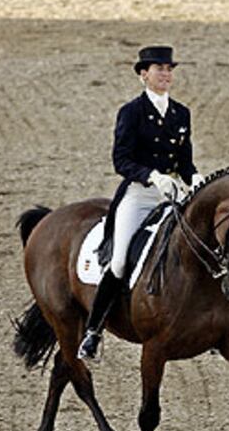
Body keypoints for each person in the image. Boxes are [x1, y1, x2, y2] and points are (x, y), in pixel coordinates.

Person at [77, 45, 204, 362]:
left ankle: (206, 323)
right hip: (139, 194)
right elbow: (121, 160)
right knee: (120, 261)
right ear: (143, 74)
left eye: (169, 69)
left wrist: (196, 178)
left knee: (200, 245)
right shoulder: (131, 112)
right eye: (159, 69)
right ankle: (93, 331)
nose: (166, 74)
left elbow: (184, 162)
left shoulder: (181, 113)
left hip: (171, 193)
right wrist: (152, 176)